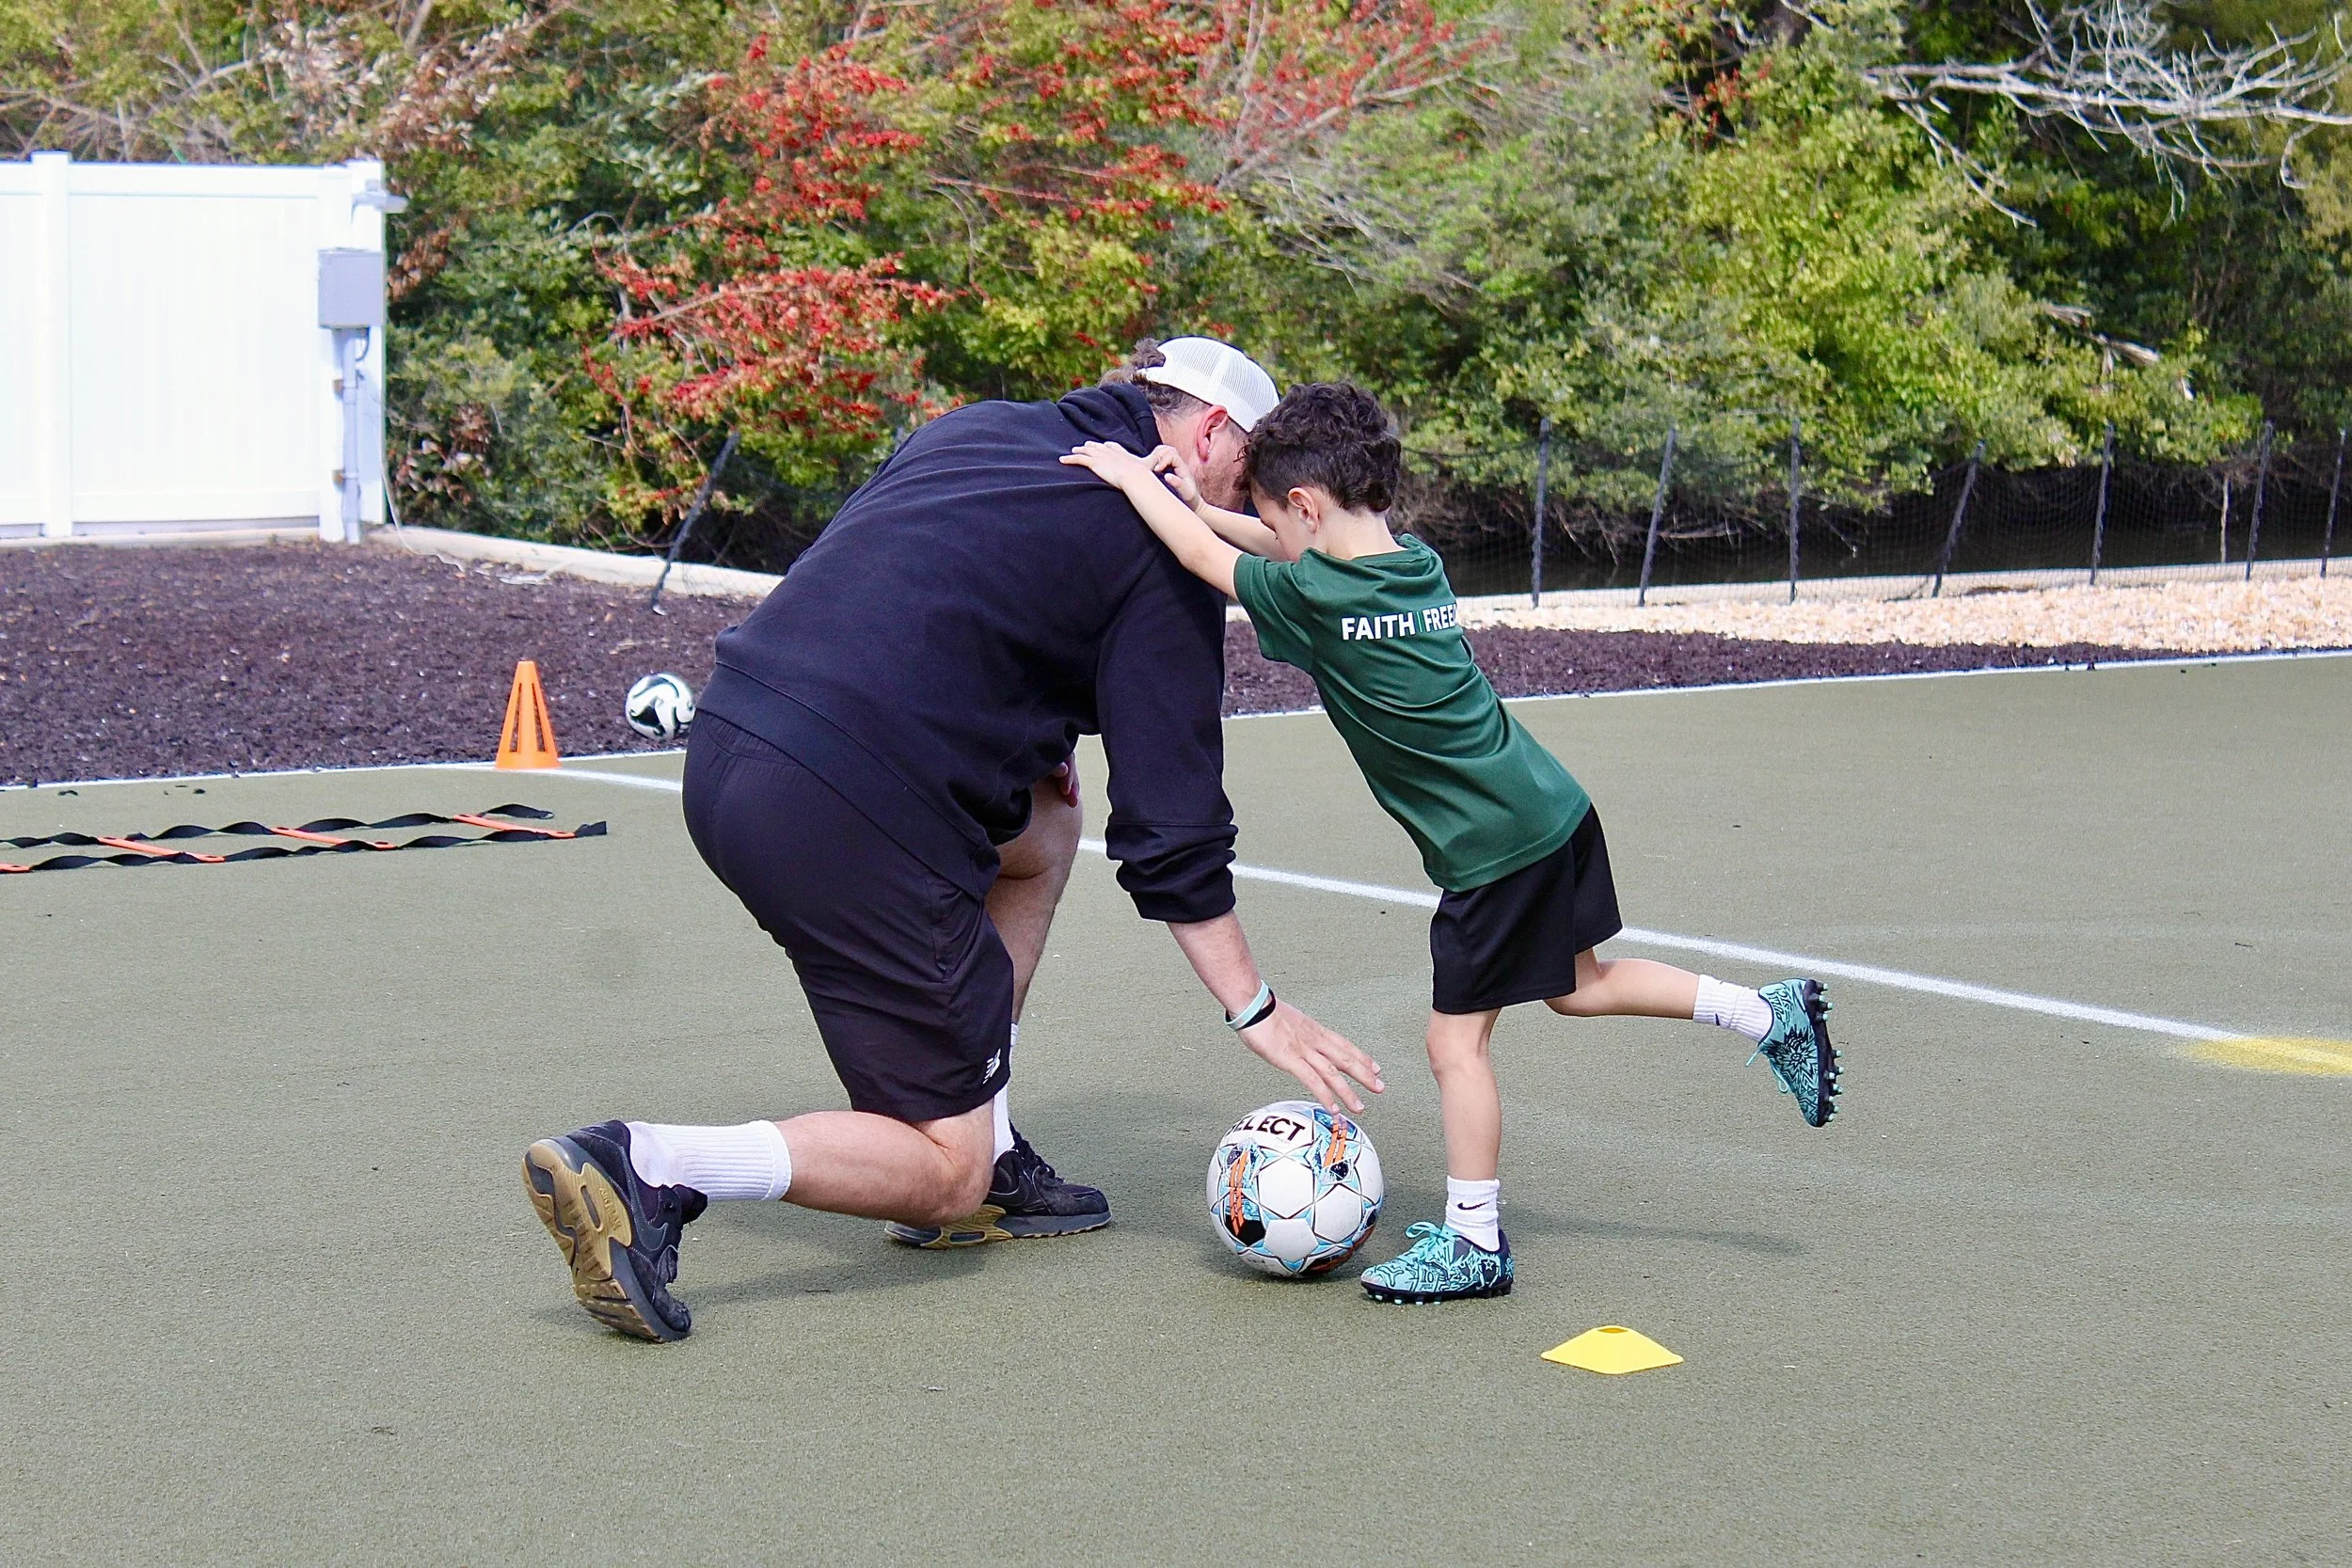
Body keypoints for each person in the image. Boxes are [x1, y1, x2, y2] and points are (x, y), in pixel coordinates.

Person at [519, 339, 1384, 1342]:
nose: (1251, 499)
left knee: (1046, 825)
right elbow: (1169, 820)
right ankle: (650, 1162)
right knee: (941, 1171)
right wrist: (1254, 1008)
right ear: (1207, 431)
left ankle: (996, 1134)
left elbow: (941, 589)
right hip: (846, 808)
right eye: (1251, 467)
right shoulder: (1161, 541)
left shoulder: (982, 430)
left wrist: (1034, 738)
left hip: (730, 747)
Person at [1059, 382, 1837, 1306]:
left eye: (1269, 512)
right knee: (1579, 987)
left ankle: (1473, 1240)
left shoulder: (1317, 596)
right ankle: (1766, 1012)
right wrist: (1202, 500)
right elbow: (1274, 548)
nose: (1262, 527)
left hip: (1491, 848)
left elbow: (1199, 554)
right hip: (1549, 807)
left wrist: (1128, 476)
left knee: (1452, 1045)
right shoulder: (1412, 563)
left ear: (1304, 504)